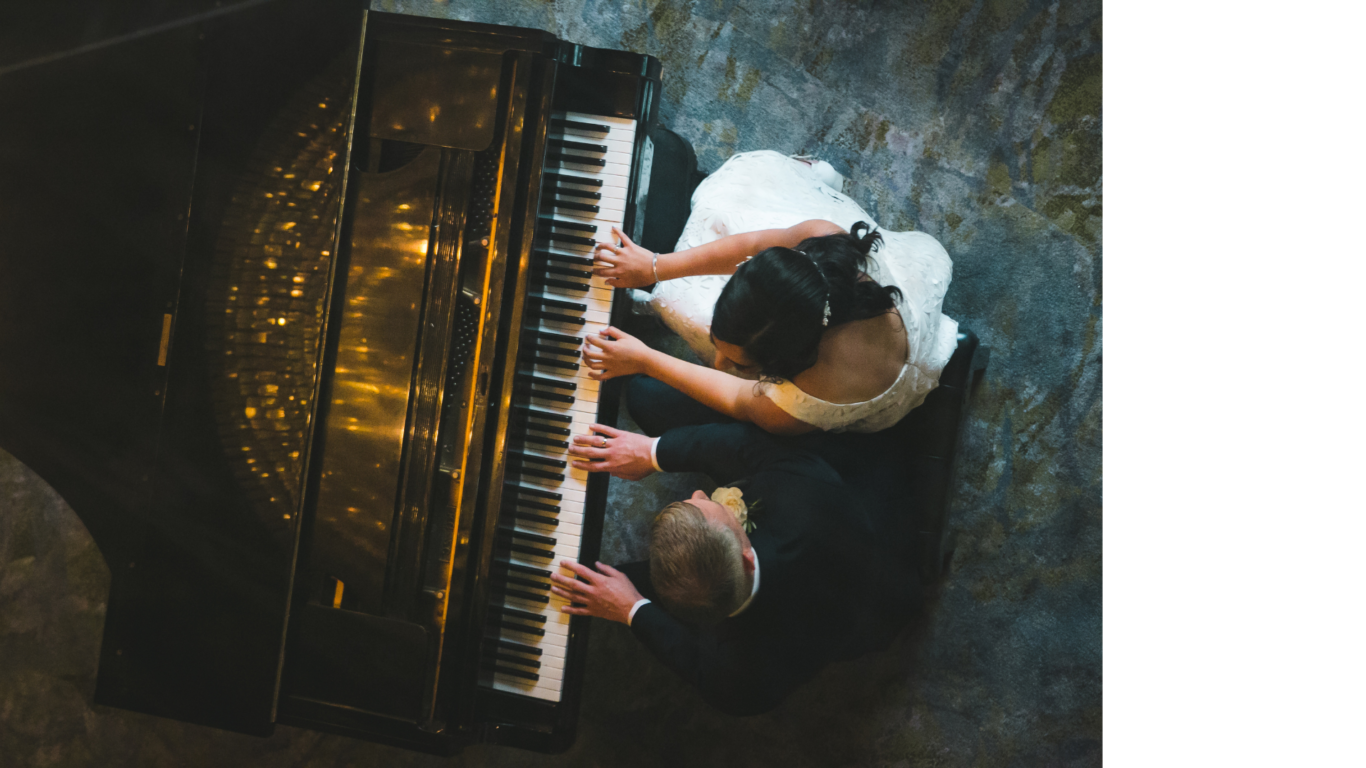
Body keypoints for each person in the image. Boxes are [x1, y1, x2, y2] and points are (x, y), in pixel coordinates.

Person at [549, 419, 923, 716]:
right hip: (871, 593)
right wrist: (653, 453)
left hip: (867, 580)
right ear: (746, 556)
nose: (697, 493)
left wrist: (633, 610)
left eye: (704, 501)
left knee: (612, 582)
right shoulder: (805, 497)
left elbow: (691, 660)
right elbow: (750, 444)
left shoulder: (736, 682)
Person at [581, 150, 959, 436]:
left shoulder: (801, 401)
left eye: (739, 365)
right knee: (731, 211)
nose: (717, 365)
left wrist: (647, 360)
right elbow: (759, 242)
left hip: (883, 371)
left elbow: (738, 400)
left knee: (683, 300)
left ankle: (814, 176)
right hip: (889, 300)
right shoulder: (825, 238)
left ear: (791, 361)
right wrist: (654, 267)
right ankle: (812, 178)